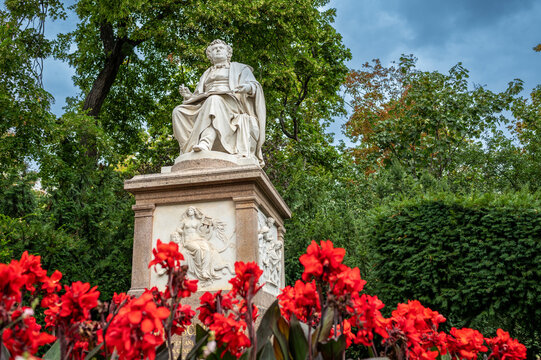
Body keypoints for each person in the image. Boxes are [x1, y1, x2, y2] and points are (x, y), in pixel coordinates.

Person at [172, 39, 266, 165]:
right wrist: (188, 96)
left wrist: (247, 88)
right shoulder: (206, 73)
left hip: (231, 103)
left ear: (228, 53)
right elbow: (198, 95)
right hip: (205, 103)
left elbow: (254, 85)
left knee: (214, 100)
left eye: (220, 48)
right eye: (214, 49)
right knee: (178, 111)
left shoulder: (240, 68)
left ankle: (205, 142)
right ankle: (188, 149)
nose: (217, 50)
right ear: (210, 55)